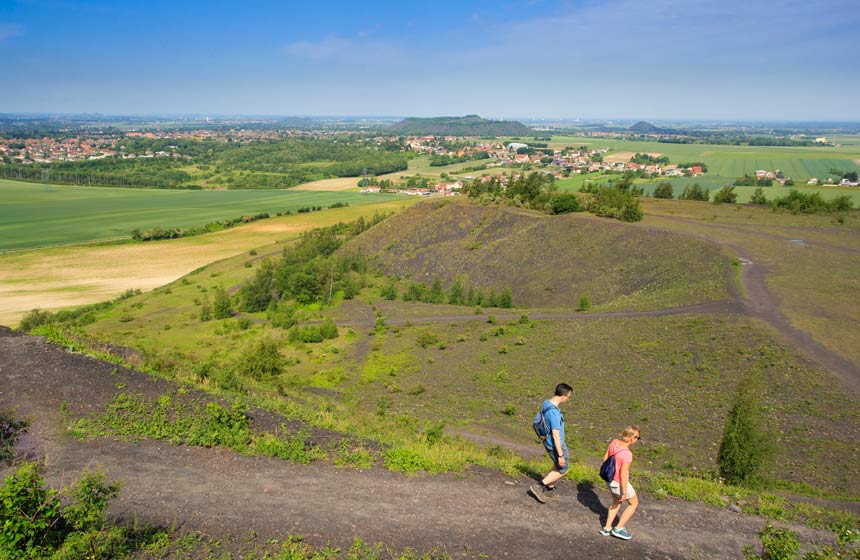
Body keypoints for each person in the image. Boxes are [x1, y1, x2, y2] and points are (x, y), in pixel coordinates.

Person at [529, 383, 573, 503]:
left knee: (557, 465)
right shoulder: (554, 414)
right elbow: (556, 435)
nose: (568, 399)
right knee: (564, 468)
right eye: (569, 397)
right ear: (563, 396)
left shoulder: (547, 403)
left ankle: (549, 490)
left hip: (547, 440)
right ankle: (539, 486)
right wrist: (560, 454)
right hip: (555, 445)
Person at [599, 425, 641, 540]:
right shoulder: (627, 454)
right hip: (619, 483)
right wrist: (624, 491)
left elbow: (605, 458)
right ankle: (618, 528)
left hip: (610, 480)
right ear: (632, 438)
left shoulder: (614, 442)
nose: (638, 440)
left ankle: (607, 528)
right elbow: (623, 475)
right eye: (638, 437)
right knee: (633, 503)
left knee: (616, 503)